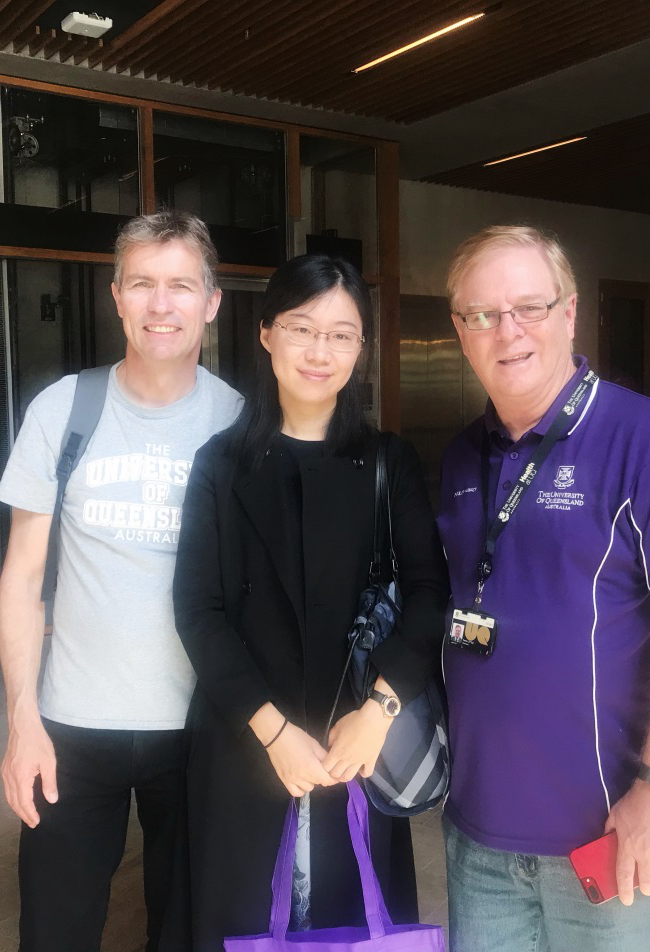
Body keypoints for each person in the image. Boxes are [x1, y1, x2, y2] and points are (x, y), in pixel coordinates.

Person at [437, 225, 650, 951]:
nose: (508, 331)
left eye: (528, 308)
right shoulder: (459, 458)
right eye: (483, 314)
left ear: (569, 313)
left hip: (612, 836)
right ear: (461, 332)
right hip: (480, 840)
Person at [171, 254, 448, 951]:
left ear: (361, 348)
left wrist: (379, 711)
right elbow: (198, 610)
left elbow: (429, 592)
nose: (320, 352)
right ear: (266, 333)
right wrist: (272, 731)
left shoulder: (388, 462)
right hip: (244, 743)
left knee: (352, 923)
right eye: (302, 328)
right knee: (241, 922)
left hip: (355, 743)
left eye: (341, 335)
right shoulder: (221, 463)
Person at [0, 210, 243, 952]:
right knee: (55, 931)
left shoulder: (239, 422)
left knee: (188, 933)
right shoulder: (63, 409)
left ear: (212, 301)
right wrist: (21, 721)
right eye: (142, 284)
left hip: (201, 729)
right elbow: (22, 577)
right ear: (116, 297)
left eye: (181, 285)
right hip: (72, 727)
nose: (161, 305)